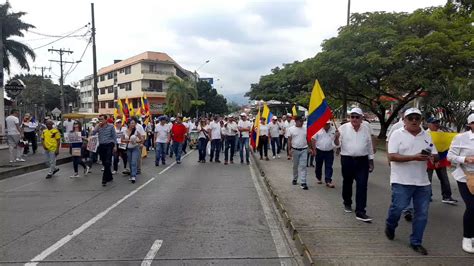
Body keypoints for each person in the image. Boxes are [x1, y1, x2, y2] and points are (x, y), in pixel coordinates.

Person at [385, 108, 438, 255]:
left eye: (417, 118)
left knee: (422, 214)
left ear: (421, 120)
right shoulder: (397, 134)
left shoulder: (427, 135)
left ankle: (416, 242)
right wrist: (414, 157)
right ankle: (390, 225)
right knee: (398, 207)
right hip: (401, 180)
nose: (414, 120)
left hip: (422, 182)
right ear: (405, 120)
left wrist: (433, 158)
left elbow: (435, 154)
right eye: (411, 118)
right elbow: (392, 157)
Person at [336, 107, 374, 222]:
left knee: (362, 185)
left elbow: (369, 145)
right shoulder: (343, 128)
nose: (354, 119)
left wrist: (371, 160)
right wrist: (336, 138)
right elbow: (336, 145)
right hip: (347, 159)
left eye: (357, 117)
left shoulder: (366, 128)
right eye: (352, 116)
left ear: (362, 118)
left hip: (362, 161)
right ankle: (347, 202)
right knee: (347, 182)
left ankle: (360, 211)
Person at [447, 113, 474, 254]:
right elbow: (450, 156)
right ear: (470, 124)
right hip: (465, 177)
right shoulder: (461, 138)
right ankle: (467, 237)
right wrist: (465, 159)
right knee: (472, 206)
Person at [426, 117, 458, 204]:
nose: (437, 124)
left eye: (437, 122)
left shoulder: (442, 133)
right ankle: (427, 196)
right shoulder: (425, 134)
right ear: (428, 124)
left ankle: (447, 196)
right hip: (429, 159)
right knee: (427, 179)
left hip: (441, 158)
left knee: (444, 178)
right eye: (434, 123)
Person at [92, 114, 117, 186]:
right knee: (104, 162)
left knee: (108, 161)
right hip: (102, 145)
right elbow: (92, 134)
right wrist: (96, 127)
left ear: (106, 120)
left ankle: (104, 178)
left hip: (109, 144)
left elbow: (114, 137)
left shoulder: (111, 126)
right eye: (99, 119)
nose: (100, 121)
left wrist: (115, 146)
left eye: (102, 119)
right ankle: (109, 176)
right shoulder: (98, 127)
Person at [311, 121, 337, 188]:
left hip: (329, 151)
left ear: (329, 124)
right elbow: (313, 139)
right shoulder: (318, 129)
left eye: (327, 124)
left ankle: (328, 180)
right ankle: (318, 177)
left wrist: (337, 136)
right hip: (319, 151)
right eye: (324, 124)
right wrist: (314, 150)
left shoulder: (334, 130)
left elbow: (337, 141)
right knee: (318, 166)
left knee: (329, 166)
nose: (325, 125)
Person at [288, 116, 310, 190]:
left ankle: (303, 182)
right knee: (295, 166)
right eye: (300, 121)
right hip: (295, 150)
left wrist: (310, 148)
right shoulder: (291, 129)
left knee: (303, 166)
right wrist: (289, 150)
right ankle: (295, 178)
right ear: (296, 121)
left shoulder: (305, 129)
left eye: (303, 121)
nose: (302, 122)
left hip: (304, 149)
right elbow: (289, 140)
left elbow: (308, 138)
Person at [122, 118, 143, 183]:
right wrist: (129, 141)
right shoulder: (124, 131)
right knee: (130, 162)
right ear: (128, 124)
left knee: (134, 162)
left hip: (135, 148)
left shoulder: (136, 131)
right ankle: (131, 174)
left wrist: (137, 141)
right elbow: (122, 140)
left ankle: (133, 176)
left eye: (134, 123)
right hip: (128, 149)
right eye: (132, 123)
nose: (133, 124)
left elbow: (141, 139)